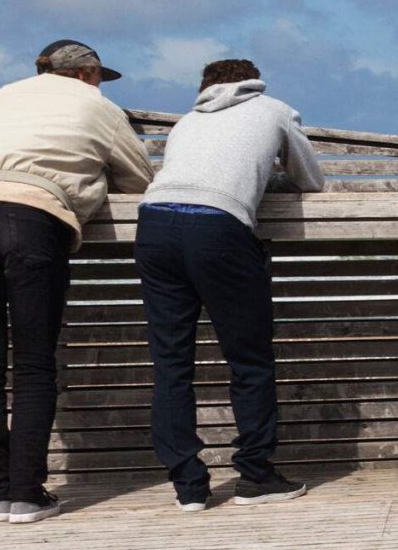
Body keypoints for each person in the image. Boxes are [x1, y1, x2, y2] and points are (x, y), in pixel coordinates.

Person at [0, 40, 154, 524]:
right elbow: (142, 177)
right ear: (86, 73)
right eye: (100, 76)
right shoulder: (95, 104)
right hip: (33, 215)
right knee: (35, 363)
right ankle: (27, 494)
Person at [134, 58, 326, 511]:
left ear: (204, 87)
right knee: (249, 359)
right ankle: (256, 475)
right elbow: (310, 179)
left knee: (171, 362)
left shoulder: (186, 122)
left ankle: (189, 486)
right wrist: (262, 179)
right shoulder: (274, 109)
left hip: (154, 224)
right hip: (218, 228)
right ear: (254, 82)